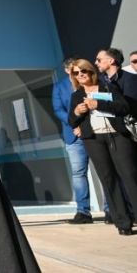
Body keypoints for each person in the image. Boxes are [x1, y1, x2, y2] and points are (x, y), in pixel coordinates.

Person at [68, 58, 137, 236]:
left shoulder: (107, 87)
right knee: (108, 179)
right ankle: (123, 222)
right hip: (94, 140)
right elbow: (72, 121)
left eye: (83, 71)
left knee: (130, 176)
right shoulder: (76, 96)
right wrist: (77, 112)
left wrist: (98, 104)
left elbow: (124, 107)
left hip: (117, 136)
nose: (80, 75)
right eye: (76, 73)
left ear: (91, 71)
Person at [52, 57, 101, 224]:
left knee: (104, 170)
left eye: (81, 69)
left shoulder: (92, 83)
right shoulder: (59, 87)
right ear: (67, 71)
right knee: (79, 173)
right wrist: (74, 123)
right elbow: (58, 109)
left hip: (95, 132)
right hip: (73, 136)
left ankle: (111, 209)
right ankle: (83, 212)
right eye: (74, 70)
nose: (79, 73)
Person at [96, 48, 137, 113]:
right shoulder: (99, 79)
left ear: (111, 61)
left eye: (99, 60)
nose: (96, 63)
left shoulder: (130, 78)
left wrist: (99, 105)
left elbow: (129, 107)